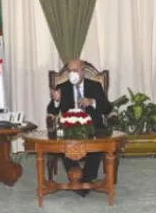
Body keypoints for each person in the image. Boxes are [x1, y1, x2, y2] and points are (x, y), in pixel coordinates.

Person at [46, 59, 113, 193]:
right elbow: (51, 110)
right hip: (69, 128)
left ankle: (84, 180)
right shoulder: (62, 87)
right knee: (64, 144)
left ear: (83, 71)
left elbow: (107, 108)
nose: (72, 74)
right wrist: (56, 101)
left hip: (93, 127)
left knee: (96, 145)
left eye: (75, 71)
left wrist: (93, 102)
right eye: (70, 71)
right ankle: (77, 177)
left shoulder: (95, 86)